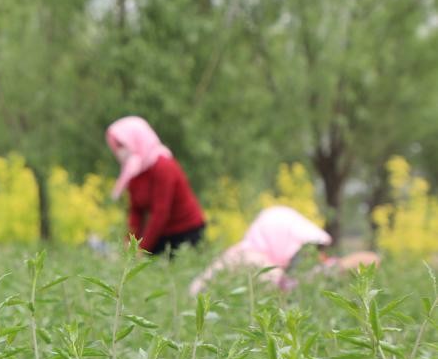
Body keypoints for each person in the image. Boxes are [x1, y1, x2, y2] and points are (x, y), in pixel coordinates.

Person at [189, 205, 378, 295]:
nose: (313, 257)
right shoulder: (255, 263)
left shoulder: (242, 252)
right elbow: (291, 287)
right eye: (306, 250)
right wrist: (338, 267)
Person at [106, 115, 205, 255]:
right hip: (162, 233)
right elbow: (136, 211)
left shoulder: (163, 165)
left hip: (186, 233)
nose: (120, 151)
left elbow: (161, 213)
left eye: (123, 145)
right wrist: (129, 242)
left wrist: (141, 250)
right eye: (118, 146)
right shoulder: (135, 169)